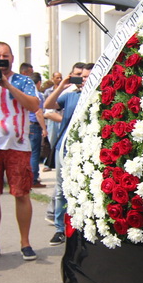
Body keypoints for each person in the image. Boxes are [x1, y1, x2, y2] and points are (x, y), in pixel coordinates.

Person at [0, 42, 40, 263]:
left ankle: (25, 242)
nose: (1, 60)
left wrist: (6, 85)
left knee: (21, 193)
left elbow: (34, 106)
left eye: (5, 55)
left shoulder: (23, 81)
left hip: (18, 144)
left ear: (12, 58)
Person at [48, 63, 92, 247]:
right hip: (64, 148)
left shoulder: (97, 97)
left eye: (88, 76)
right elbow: (48, 105)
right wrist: (62, 85)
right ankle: (60, 228)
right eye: (82, 76)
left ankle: (79, 227)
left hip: (85, 150)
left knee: (82, 189)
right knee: (61, 189)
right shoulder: (71, 95)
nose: (84, 79)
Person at [28, 72, 47, 188]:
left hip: (26, 125)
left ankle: (28, 178)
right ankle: (34, 179)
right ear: (39, 83)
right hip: (35, 125)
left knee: (28, 153)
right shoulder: (37, 95)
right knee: (35, 153)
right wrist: (44, 128)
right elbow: (39, 113)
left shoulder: (25, 93)